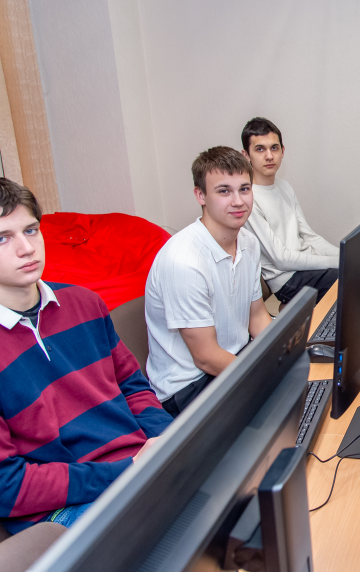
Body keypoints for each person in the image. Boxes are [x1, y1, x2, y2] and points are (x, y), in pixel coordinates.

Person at [0, 177, 171, 532]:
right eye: (1, 239)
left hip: (140, 463)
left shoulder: (84, 303)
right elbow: (2, 488)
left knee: (241, 488)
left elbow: (132, 386)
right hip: (66, 508)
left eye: (31, 230)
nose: (26, 248)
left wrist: (169, 440)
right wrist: (127, 470)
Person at [145, 147, 271, 416]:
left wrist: (287, 354)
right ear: (200, 195)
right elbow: (205, 357)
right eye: (224, 191)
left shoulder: (248, 242)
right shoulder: (184, 260)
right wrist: (266, 376)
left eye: (244, 189)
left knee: (306, 388)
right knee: (277, 412)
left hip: (233, 360)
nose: (238, 201)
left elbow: (257, 317)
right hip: (189, 386)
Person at [240, 117, 338, 308]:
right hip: (287, 280)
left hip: (305, 269)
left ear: (283, 151)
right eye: (260, 149)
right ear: (246, 155)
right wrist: (337, 262)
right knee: (352, 281)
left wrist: (345, 256)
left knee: (359, 272)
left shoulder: (284, 187)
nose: (269, 156)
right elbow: (281, 260)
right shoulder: (248, 198)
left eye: (274, 148)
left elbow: (310, 237)